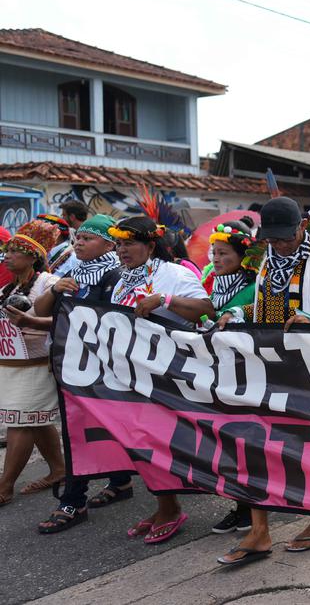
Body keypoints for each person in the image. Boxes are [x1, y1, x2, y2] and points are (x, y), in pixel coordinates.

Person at [214, 197, 310, 564]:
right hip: (268, 367)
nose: (277, 245)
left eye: (284, 238)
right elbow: (265, 307)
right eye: (272, 240)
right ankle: (259, 531)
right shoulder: (267, 262)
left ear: (301, 229)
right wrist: (235, 312)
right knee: (255, 444)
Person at [107, 215, 214, 545]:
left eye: (130, 243)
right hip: (131, 374)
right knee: (139, 443)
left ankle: (173, 507)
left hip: (170, 373)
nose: (122, 250)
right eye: (119, 244)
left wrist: (165, 301)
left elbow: (204, 309)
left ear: (150, 246)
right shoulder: (121, 278)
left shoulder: (175, 274)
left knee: (161, 442)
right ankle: (165, 504)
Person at [29, 214, 124, 533]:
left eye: (88, 238)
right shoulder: (73, 271)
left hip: (96, 370)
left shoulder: (115, 275)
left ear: (110, 244)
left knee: (79, 433)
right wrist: (57, 290)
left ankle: (73, 499)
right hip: (68, 364)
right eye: (78, 237)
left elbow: (114, 326)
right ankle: (121, 482)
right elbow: (41, 311)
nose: (79, 243)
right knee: (89, 430)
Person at [0, 220, 64, 507]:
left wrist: (29, 322)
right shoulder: (6, 287)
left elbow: (64, 321)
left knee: (21, 421)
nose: (7, 256)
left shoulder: (49, 283)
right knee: (36, 420)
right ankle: (59, 470)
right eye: (6, 251)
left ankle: (5, 486)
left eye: (14, 251)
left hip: (38, 364)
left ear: (32, 255)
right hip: (11, 364)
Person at [204, 220, 260, 536]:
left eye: (223, 253)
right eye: (214, 253)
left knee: (244, 443)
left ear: (242, 255)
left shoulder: (255, 286)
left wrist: (236, 315)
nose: (216, 259)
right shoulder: (211, 283)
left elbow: (267, 313)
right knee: (226, 445)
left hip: (244, 372)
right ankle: (241, 508)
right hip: (216, 373)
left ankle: (251, 512)